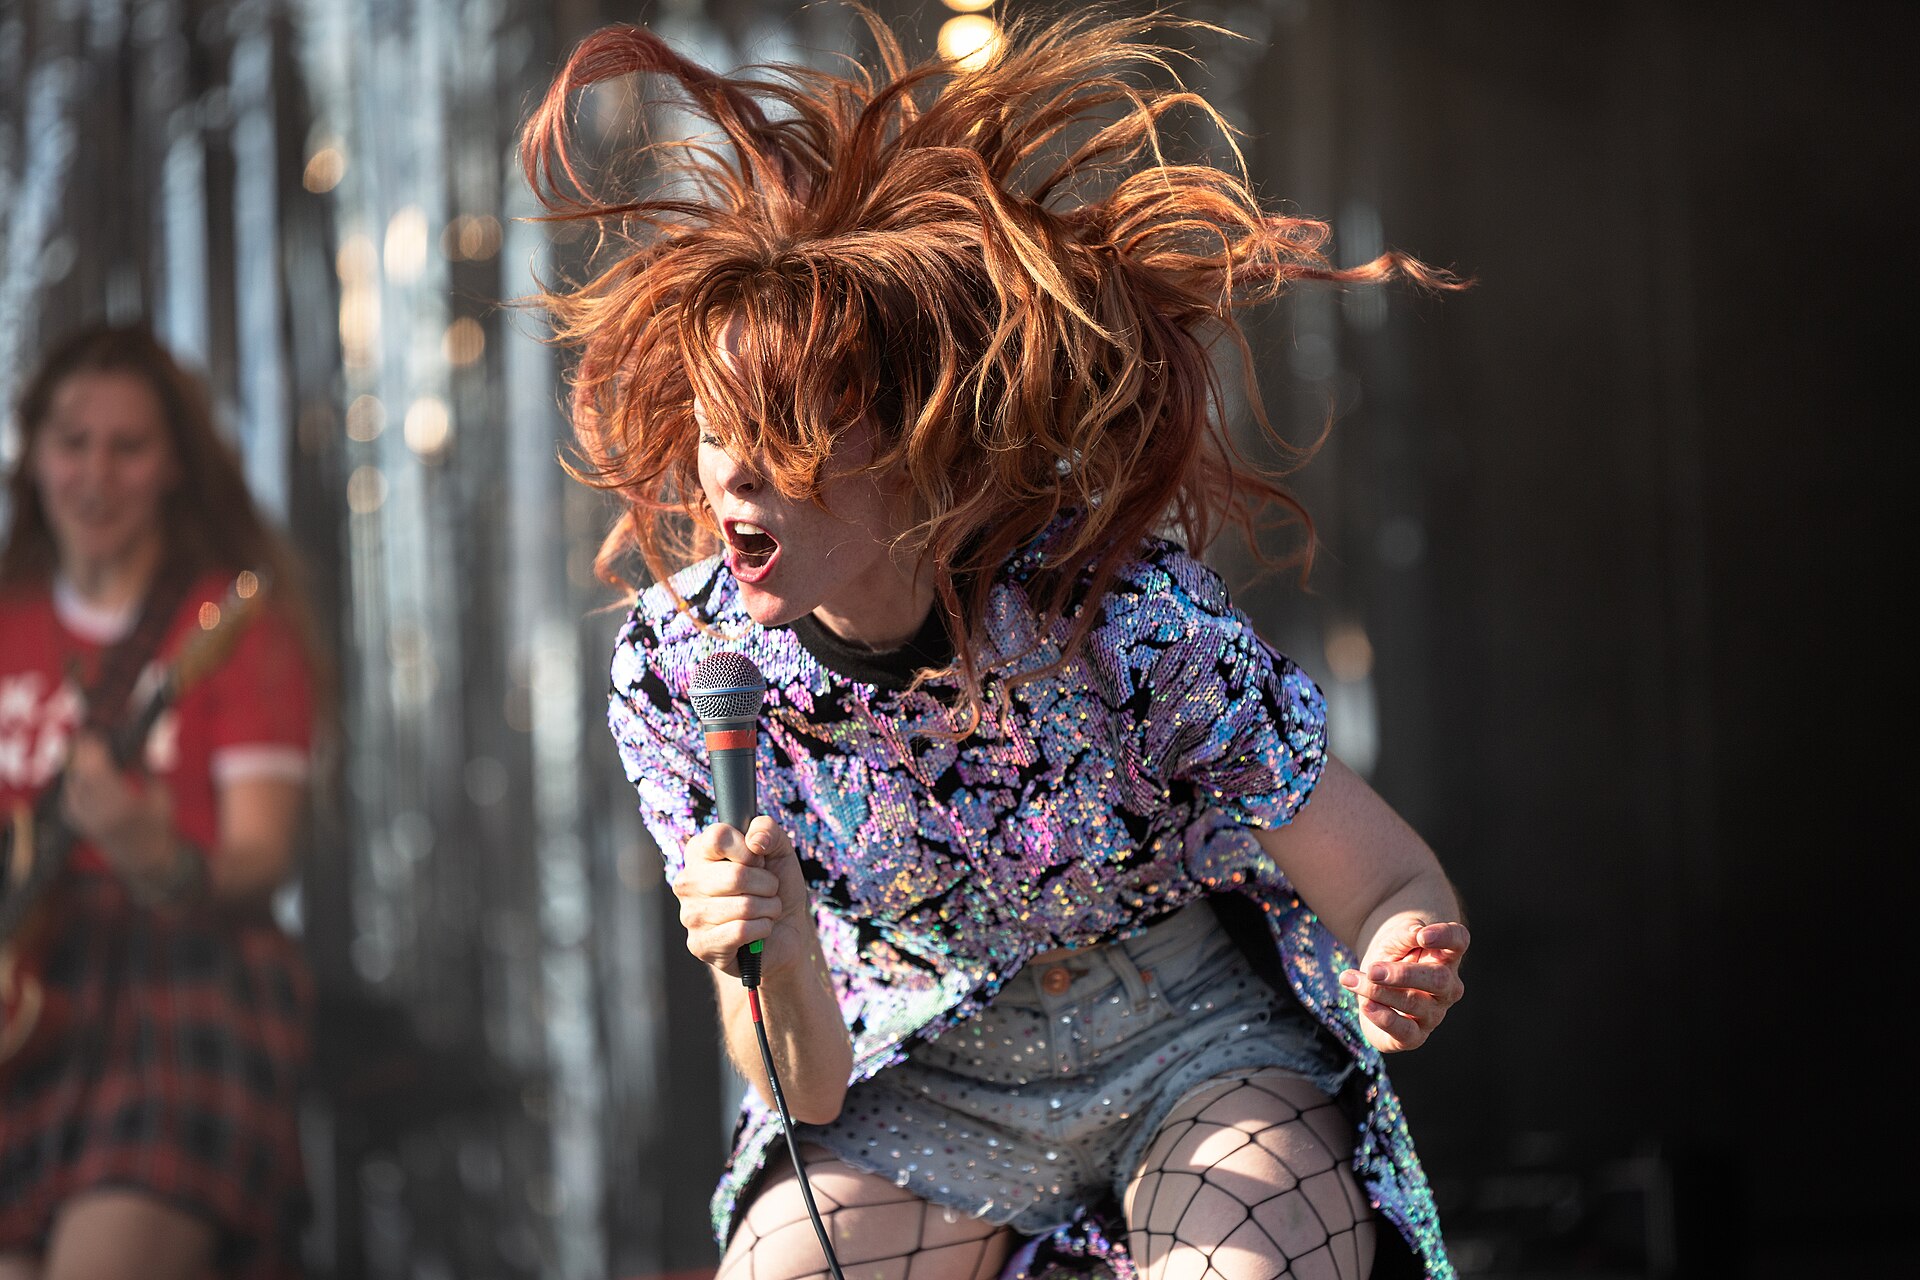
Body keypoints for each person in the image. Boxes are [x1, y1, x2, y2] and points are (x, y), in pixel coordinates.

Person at [528, 10, 1470, 1279]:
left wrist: (1405, 957)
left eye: (791, 427)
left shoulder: (1120, 613)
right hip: (921, 1067)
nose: (734, 471)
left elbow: (1392, 885)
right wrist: (776, 948)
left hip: (1187, 1041)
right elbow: (802, 1088)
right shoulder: (684, 670)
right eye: (715, 423)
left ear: (919, 448)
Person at [0, 325, 319, 1280]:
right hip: (27, 995)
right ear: (34, 454)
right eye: (72, 442)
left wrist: (157, 853)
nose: (94, 475)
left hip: (177, 980)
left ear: (173, 463)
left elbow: (263, 858)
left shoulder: (231, 628)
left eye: (127, 447)